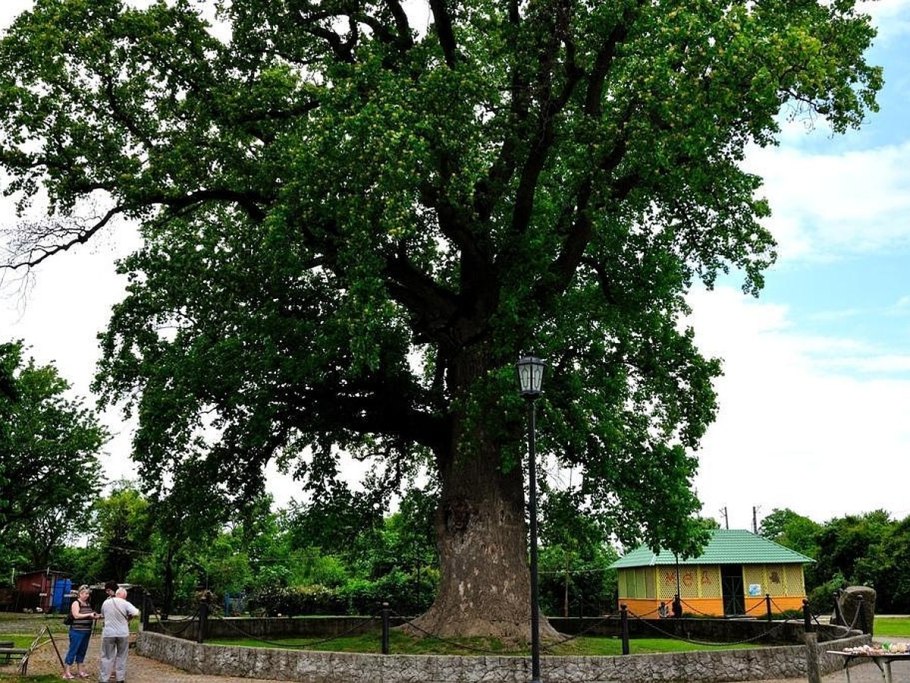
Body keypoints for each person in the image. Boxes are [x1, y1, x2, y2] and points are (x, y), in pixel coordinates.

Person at [98, 585, 140, 683]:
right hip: (122, 633)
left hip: (109, 633)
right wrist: (128, 617)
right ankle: (120, 678)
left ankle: (104, 678)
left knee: (107, 656)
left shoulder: (106, 602)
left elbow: (103, 614)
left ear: (117, 594)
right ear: (123, 595)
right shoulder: (125, 603)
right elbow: (136, 613)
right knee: (122, 656)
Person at [63, 585, 100, 680]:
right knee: (73, 650)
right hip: (77, 631)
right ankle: (67, 671)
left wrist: (94, 616)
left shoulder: (87, 604)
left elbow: (88, 615)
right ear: (80, 594)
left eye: (88, 594)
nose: (87, 595)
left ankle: (80, 671)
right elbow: (76, 615)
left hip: (86, 631)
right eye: (85, 593)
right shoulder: (76, 603)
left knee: (82, 651)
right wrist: (89, 614)